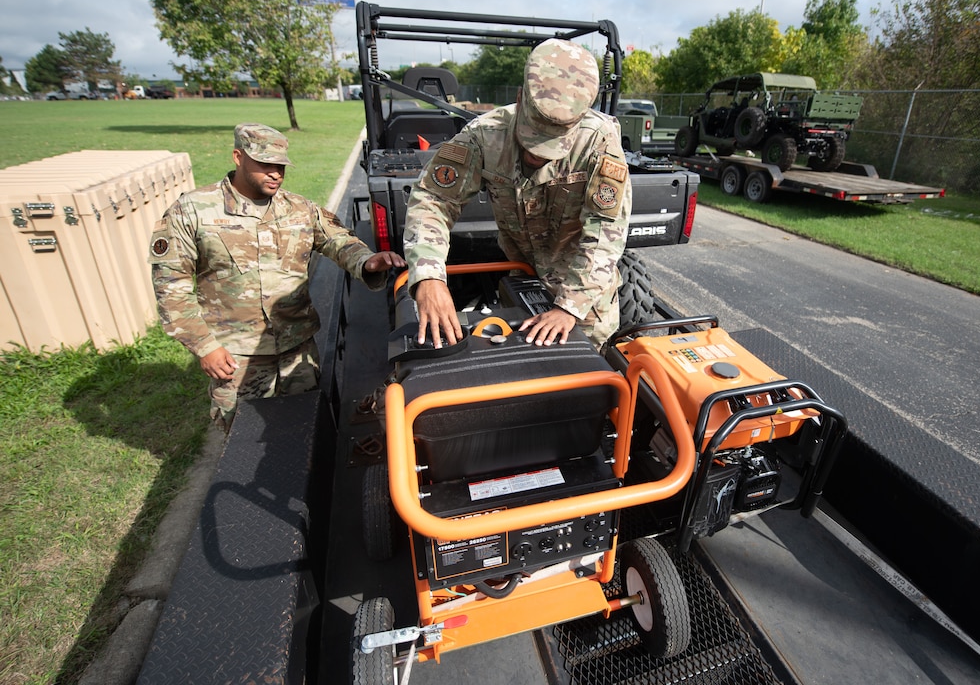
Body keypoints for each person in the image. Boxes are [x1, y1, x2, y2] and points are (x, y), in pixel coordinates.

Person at [149, 123, 405, 431]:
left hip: (297, 350)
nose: (275, 174)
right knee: (243, 440)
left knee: (304, 431)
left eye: (280, 166)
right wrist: (205, 347)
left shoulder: (299, 208)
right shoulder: (193, 210)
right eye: (265, 164)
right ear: (237, 157)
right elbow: (171, 286)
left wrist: (366, 261)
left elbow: (337, 240)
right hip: (237, 357)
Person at [404, 38, 632, 349]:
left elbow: (605, 234)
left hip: (584, 296)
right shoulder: (484, 136)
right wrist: (428, 276)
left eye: (552, 147)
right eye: (532, 138)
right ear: (520, 97)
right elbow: (433, 199)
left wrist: (569, 307)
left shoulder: (599, 143)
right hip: (524, 279)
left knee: (588, 375)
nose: (538, 155)